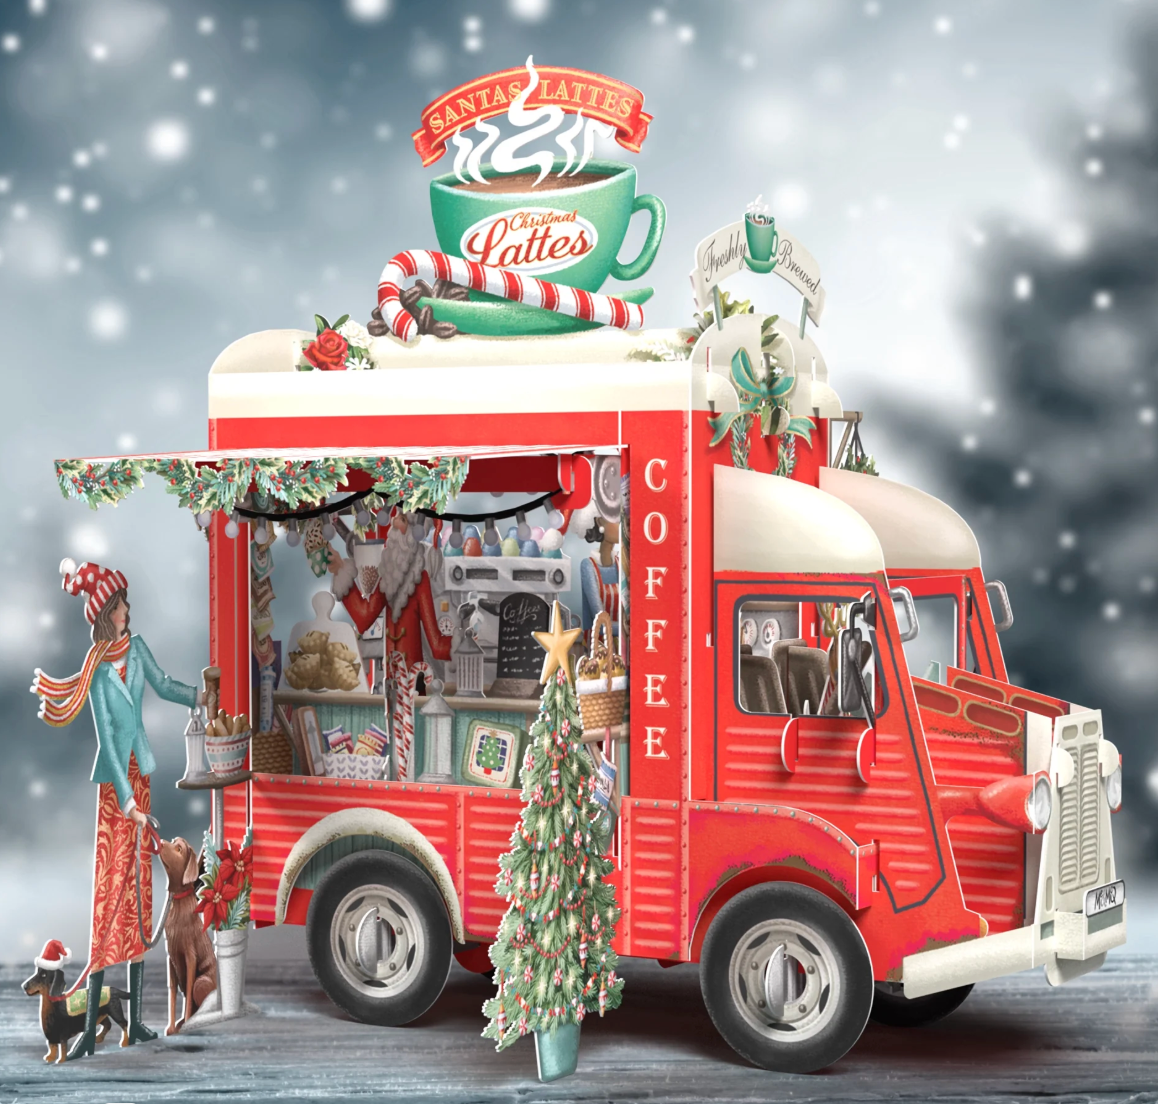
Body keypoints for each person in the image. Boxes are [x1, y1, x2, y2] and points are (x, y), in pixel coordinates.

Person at [31, 559, 199, 1060]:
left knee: (139, 897)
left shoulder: (137, 648)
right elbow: (106, 738)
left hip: (140, 780)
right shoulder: (99, 670)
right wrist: (128, 805)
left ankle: (135, 1023)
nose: (128, 608)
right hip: (116, 793)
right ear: (106, 613)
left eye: (125, 602)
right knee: (110, 897)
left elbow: (165, 685)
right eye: (120, 603)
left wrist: (202, 697)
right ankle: (87, 1030)